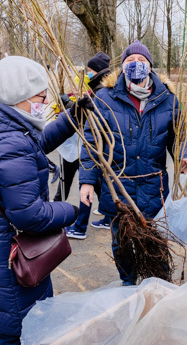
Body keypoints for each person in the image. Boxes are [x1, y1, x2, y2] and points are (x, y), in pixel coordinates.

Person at [0, 56, 90, 344]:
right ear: (18, 96)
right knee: (17, 329)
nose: (45, 103)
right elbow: (31, 215)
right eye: (41, 97)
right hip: (6, 257)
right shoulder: (9, 143)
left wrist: (73, 117)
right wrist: (72, 210)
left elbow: (33, 146)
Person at [79, 40, 187, 285]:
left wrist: (184, 155)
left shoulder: (169, 100)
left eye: (142, 61)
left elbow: (180, 136)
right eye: (130, 61)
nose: (136, 65)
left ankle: (159, 286)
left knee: (156, 244)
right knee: (121, 244)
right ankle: (127, 284)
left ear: (150, 66)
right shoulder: (104, 98)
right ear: (122, 67)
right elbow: (91, 141)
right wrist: (87, 181)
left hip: (154, 188)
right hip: (118, 188)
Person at [62, 52, 113, 239]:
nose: (88, 74)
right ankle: (108, 217)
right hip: (102, 145)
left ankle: (80, 227)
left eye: (90, 71)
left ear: (98, 71)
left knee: (88, 181)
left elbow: (93, 116)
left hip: (98, 144)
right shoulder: (99, 87)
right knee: (98, 181)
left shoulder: (101, 91)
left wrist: (71, 106)